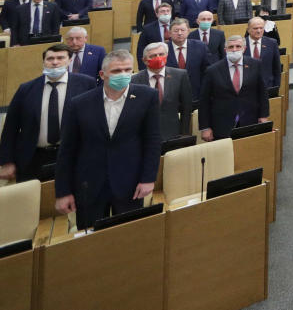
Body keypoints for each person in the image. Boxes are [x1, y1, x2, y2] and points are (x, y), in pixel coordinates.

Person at [54, 49, 161, 229]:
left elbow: (152, 140)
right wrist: (63, 192)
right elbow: (67, 150)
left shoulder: (147, 96)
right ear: (103, 74)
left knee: (130, 235)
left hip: (131, 183)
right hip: (90, 184)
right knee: (91, 241)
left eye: (128, 70)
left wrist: (149, 178)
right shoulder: (79, 103)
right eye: (117, 71)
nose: (124, 75)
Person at [0, 44, 97, 182]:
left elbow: (95, 121)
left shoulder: (86, 84)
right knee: (33, 200)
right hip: (33, 158)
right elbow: (10, 128)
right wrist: (7, 161)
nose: (55, 62)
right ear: (44, 62)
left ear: (69, 60)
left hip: (73, 154)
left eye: (60, 58)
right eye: (50, 58)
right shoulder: (26, 89)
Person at [199, 35, 270, 141]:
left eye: (238, 46)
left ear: (244, 49)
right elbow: (204, 101)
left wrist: (264, 115)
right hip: (222, 124)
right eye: (231, 47)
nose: (234, 50)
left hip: (250, 120)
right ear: (225, 49)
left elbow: (263, 93)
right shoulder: (212, 70)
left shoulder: (256, 64)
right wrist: (205, 127)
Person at [132, 42, 192, 141]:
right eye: (153, 56)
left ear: (167, 56)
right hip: (145, 135)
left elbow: (186, 107)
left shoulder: (180, 75)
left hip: (173, 134)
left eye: (161, 54)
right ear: (144, 60)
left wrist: (184, 133)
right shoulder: (134, 80)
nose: (158, 58)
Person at [166, 18, 210, 98]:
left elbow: (207, 70)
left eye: (182, 30)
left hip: (196, 93)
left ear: (188, 31)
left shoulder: (200, 46)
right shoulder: (163, 49)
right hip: (171, 95)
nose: (179, 33)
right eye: (176, 31)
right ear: (170, 33)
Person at [245, 17, 282, 88]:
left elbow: (277, 68)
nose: (259, 31)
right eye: (255, 28)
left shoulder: (272, 43)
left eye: (261, 28)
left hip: (267, 86)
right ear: (248, 30)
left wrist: (276, 86)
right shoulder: (241, 44)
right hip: (247, 88)